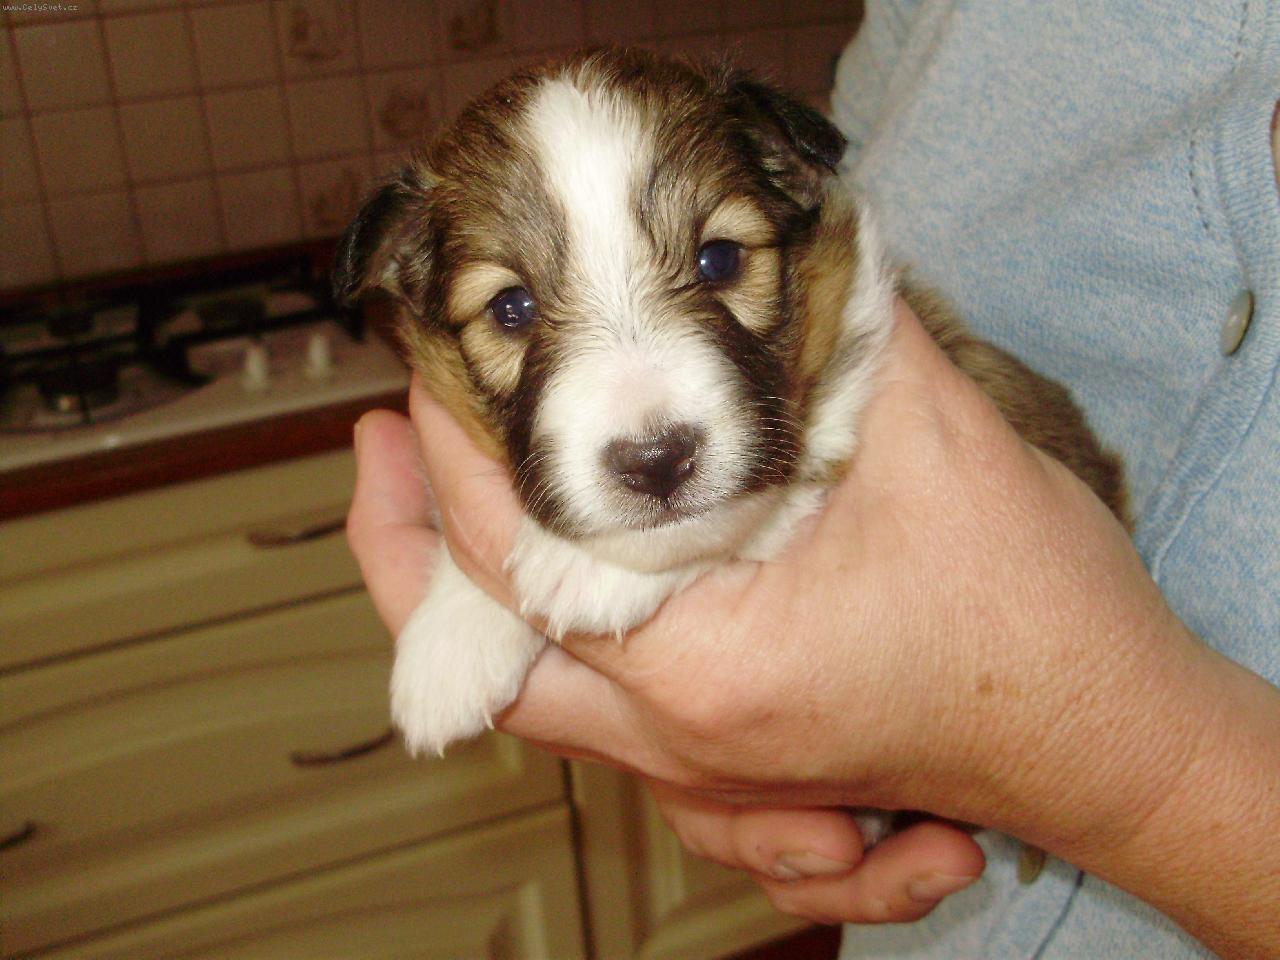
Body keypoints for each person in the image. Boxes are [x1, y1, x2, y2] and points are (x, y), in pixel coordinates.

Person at [346, 2, 1280, 956]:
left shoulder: (871, 355)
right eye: (511, 309)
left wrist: (1137, 782)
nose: (648, 430)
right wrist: (703, 736)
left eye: (716, 262)